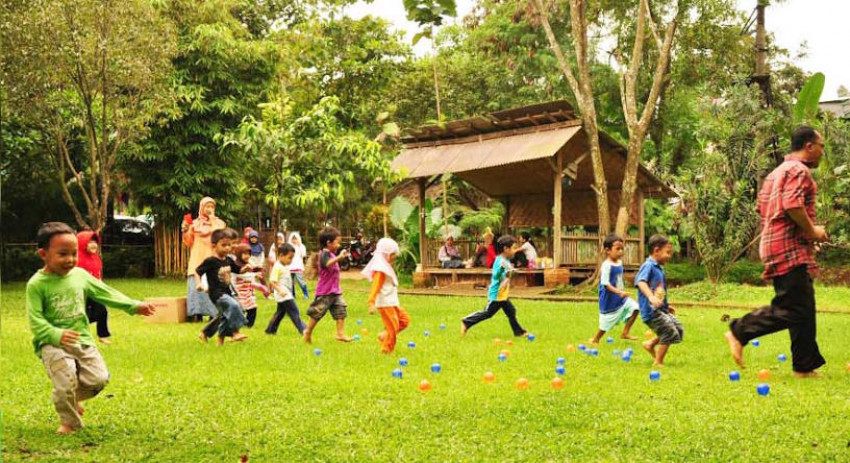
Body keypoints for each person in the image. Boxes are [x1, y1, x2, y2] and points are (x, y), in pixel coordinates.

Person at [27, 222, 156, 434]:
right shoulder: (37, 284)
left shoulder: (80, 275)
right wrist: (56, 334)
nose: (70, 259)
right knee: (65, 378)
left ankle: (70, 398)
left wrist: (134, 305)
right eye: (63, 254)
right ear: (43, 254)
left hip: (82, 339)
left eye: (73, 253)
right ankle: (69, 422)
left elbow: (105, 293)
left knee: (99, 379)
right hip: (51, 343)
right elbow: (35, 320)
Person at [724, 126, 828, 378]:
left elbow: (764, 209)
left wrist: (804, 235)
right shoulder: (799, 170)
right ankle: (740, 330)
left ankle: (804, 366)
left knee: (804, 303)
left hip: (777, 244)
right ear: (809, 146)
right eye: (821, 146)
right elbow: (792, 205)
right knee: (794, 308)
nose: (823, 152)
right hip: (787, 248)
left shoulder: (776, 173)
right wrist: (812, 231)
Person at [461, 235, 529, 337]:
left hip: (503, 293)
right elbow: (497, 276)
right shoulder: (500, 261)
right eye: (513, 248)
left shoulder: (505, 261)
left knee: (511, 311)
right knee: (488, 313)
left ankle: (518, 332)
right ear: (506, 249)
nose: (515, 251)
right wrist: (504, 272)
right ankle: (466, 322)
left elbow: (509, 273)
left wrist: (512, 272)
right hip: (497, 294)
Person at [195, 228, 250, 346]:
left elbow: (238, 270)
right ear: (214, 245)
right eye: (223, 245)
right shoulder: (210, 261)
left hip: (227, 292)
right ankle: (236, 332)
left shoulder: (228, 260)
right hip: (216, 294)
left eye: (229, 245)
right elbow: (197, 271)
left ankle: (211, 336)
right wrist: (199, 283)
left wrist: (245, 269)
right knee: (234, 306)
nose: (227, 248)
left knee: (223, 316)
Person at [636, 234, 682, 366]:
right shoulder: (648, 266)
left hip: (660, 310)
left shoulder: (659, 269)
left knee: (678, 328)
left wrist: (667, 307)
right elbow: (641, 282)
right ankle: (658, 361)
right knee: (668, 331)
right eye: (667, 252)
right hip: (651, 311)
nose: (670, 255)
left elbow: (661, 292)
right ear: (656, 250)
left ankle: (650, 344)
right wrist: (650, 296)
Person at [303, 227, 352, 343]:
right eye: (337, 242)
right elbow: (327, 264)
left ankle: (340, 334)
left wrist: (340, 257)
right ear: (328, 243)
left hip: (335, 291)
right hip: (325, 291)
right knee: (317, 313)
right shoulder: (324, 253)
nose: (339, 245)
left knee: (341, 310)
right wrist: (339, 257)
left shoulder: (332, 254)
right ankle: (308, 331)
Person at [588, 234, 640, 345]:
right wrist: (619, 292)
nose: (621, 251)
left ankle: (625, 333)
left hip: (620, 296)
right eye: (617, 249)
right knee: (606, 322)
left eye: (622, 248)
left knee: (635, 308)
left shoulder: (619, 262)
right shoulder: (606, 265)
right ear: (607, 250)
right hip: (609, 298)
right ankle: (596, 339)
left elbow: (618, 278)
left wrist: (623, 289)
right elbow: (605, 284)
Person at [182, 197, 226, 322]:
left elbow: (218, 236)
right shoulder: (195, 224)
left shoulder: (219, 223)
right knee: (196, 286)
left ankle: (214, 314)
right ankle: (196, 314)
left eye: (212, 207)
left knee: (213, 285)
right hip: (197, 257)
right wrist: (185, 230)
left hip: (212, 258)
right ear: (202, 208)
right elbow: (189, 242)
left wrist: (212, 220)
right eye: (207, 206)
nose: (209, 209)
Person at [363, 238, 410, 354]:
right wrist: (371, 302)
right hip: (385, 303)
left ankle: (384, 335)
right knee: (393, 326)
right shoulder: (380, 270)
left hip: (392, 302)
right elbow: (375, 286)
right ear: (386, 255)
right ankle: (386, 349)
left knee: (404, 320)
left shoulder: (386, 266)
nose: (395, 257)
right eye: (393, 254)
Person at [75, 230, 112, 344]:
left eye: (95, 242)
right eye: (90, 242)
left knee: (102, 311)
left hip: (94, 291)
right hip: (81, 292)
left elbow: (97, 275)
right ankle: (79, 335)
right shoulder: (77, 260)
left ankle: (102, 335)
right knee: (83, 314)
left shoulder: (96, 258)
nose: (93, 245)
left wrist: (102, 287)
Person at [265, 243, 307, 335]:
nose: (291, 260)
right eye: (290, 257)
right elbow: (272, 281)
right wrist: (280, 290)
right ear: (281, 255)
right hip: (283, 295)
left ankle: (270, 330)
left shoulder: (283, 266)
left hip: (285, 294)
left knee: (280, 313)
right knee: (294, 311)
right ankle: (304, 329)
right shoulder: (277, 267)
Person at [232, 243, 266, 328]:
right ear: (239, 254)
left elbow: (250, 273)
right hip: (238, 292)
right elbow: (243, 275)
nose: (247, 256)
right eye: (245, 254)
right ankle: (236, 324)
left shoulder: (248, 263)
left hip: (248, 292)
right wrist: (254, 274)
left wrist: (257, 271)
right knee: (240, 310)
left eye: (249, 254)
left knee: (252, 308)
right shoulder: (235, 265)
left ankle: (248, 326)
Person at [288, 231, 310, 300]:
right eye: (293, 239)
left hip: (298, 265)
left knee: (300, 281)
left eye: (295, 239)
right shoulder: (289, 246)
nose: (294, 240)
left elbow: (303, 255)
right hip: (290, 266)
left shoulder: (301, 246)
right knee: (291, 282)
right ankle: (292, 295)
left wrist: (299, 246)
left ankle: (306, 294)